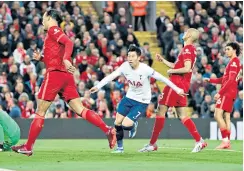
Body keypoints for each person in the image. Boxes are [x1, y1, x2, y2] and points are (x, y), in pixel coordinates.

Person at [12, 9, 116, 156]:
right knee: (80, 109)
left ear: (49, 18)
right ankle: (108, 129)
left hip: (55, 74)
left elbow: (69, 43)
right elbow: (56, 54)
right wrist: (41, 58)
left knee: (40, 111)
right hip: (65, 76)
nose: (42, 21)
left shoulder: (53, 30)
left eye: (43, 18)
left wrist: (67, 59)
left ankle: (28, 146)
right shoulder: (55, 33)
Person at [90, 45, 185, 153]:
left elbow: (163, 78)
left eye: (132, 56)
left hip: (142, 101)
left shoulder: (145, 69)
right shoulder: (124, 66)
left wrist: (177, 90)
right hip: (129, 97)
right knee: (117, 122)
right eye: (128, 56)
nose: (129, 58)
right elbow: (111, 76)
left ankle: (133, 124)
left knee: (126, 125)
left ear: (139, 57)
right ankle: (120, 148)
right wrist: (98, 86)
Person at [139, 28, 207, 153]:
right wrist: (163, 61)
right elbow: (178, 66)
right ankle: (199, 141)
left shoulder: (187, 49)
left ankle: (152, 144)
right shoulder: (189, 50)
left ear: (190, 35)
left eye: (187, 32)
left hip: (176, 83)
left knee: (161, 110)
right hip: (182, 84)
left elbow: (186, 68)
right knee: (182, 115)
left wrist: (172, 72)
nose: (184, 33)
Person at [204, 42, 241, 149]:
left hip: (227, 92)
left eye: (228, 49)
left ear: (234, 50)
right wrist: (211, 80)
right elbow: (224, 79)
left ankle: (225, 141)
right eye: (225, 49)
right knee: (226, 117)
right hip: (231, 91)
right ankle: (227, 142)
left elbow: (230, 80)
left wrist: (219, 93)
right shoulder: (232, 62)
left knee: (217, 114)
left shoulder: (234, 62)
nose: (226, 51)